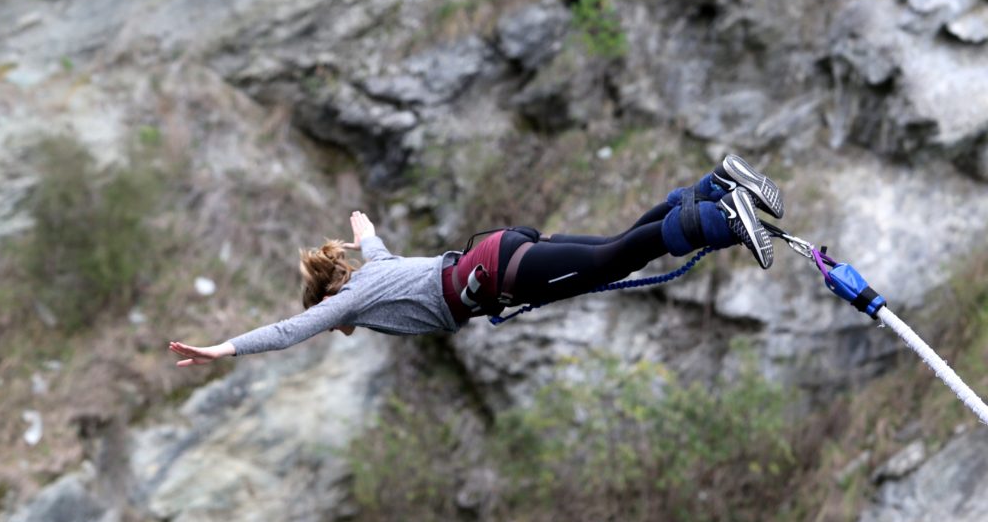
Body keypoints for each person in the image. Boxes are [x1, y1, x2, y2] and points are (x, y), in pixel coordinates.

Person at [168, 155, 783, 367]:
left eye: (334, 320)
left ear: (333, 303)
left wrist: (222, 349)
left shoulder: (347, 302)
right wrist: (363, 230)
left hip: (496, 273)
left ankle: (725, 219)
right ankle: (713, 188)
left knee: (617, 257)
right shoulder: (372, 272)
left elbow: (288, 331)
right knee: (612, 247)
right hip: (497, 251)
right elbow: (377, 247)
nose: (341, 329)